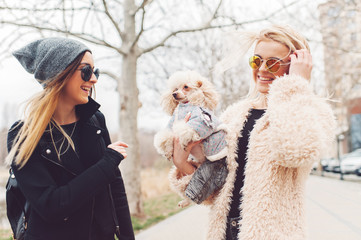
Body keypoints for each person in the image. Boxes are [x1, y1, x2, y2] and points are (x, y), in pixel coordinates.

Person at [168, 25, 336, 240]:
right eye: (257, 61)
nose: (263, 69)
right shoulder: (233, 116)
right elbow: (212, 192)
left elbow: (294, 151)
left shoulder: (312, 112)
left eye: (273, 63)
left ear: (295, 66)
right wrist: (182, 164)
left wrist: (295, 85)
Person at [6, 38, 135, 240]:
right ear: (60, 74)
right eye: (86, 71)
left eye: (95, 71)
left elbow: (115, 189)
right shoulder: (23, 136)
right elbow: (51, 206)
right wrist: (107, 163)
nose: (94, 79)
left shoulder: (95, 120)